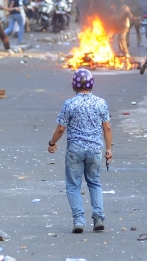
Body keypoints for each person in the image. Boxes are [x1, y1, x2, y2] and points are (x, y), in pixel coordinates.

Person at [48, 68, 112, 233]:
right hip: (95, 149)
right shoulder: (101, 103)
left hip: (75, 150)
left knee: (73, 186)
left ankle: (79, 221)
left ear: (74, 85)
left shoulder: (69, 104)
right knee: (94, 183)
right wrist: (109, 149)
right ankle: (98, 217)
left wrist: (52, 143)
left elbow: (61, 129)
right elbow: (107, 128)